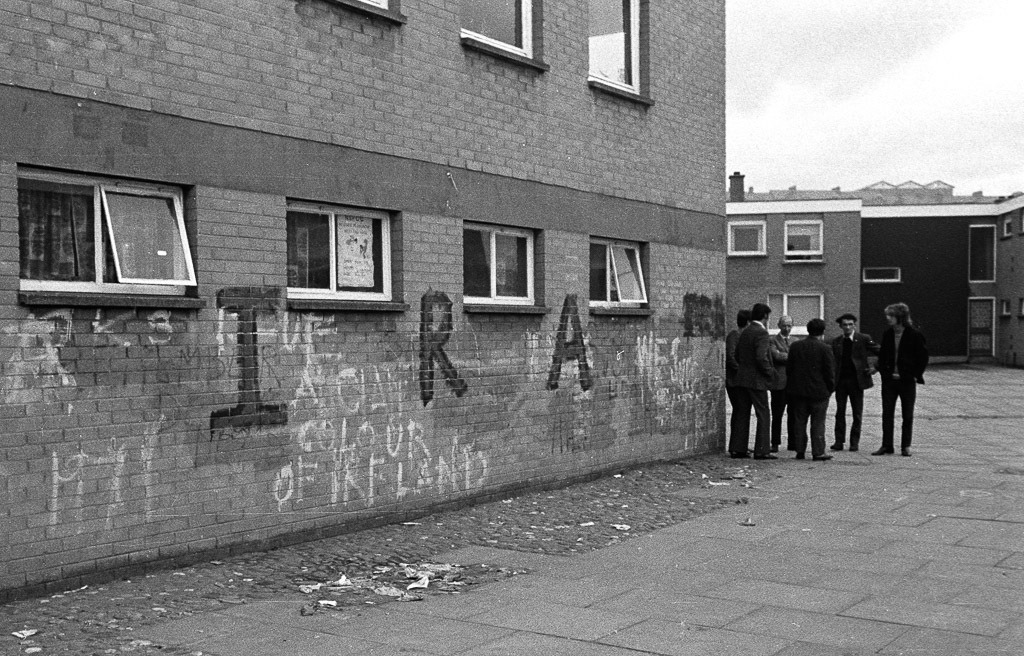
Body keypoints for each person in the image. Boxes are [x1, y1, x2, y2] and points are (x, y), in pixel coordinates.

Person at [873, 302, 929, 457]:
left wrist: (915, 374)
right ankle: (887, 445)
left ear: (900, 317)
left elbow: (922, 357)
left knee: (907, 414)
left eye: (891, 316)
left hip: (906, 381)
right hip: (890, 380)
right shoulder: (888, 334)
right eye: (888, 315)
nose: (888, 318)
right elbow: (883, 355)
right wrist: (883, 372)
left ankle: (906, 446)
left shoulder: (914, 335)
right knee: (887, 413)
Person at [786, 318, 837, 461]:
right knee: (818, 422)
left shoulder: (796, 346)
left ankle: (800, 450)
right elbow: (829, 372)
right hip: (819, 392)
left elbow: (789, 369)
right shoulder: (825, 348)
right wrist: (830, 388)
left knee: (799, 422)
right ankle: (818, 451)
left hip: (798, 391)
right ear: (822, 332)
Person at [731, 303, 776, 460]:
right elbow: (761, 357)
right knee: (763, 413)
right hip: (757, 380)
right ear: (765, 316)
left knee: (742, 413)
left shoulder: (745, 332)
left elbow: (737, 354)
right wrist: (770, 372)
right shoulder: (762, 333)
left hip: (742, 378)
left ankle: (738, 448)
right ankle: (762, 450)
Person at [830, 313, 880, 452]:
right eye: (845, 325)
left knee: (857, 413)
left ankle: (854, 442)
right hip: (841, 381)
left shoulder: (863, 339)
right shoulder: (837, 341)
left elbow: (881, 351)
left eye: (850, 324)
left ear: (854, 325)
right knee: (840, 411)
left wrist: (875, 367)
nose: (848, 327)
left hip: (857, 381)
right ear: (840, 326)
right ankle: (839, 441)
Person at [726, 309, 752, 455]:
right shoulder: (734, 336)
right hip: (735, 382)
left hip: (740, 381)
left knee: (742, 412)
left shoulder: (741, 336)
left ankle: (740, 444)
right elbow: (730, 358)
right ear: (747, 322)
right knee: (741, 412)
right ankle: (737, 447)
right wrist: (743, 372)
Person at [768, 315, 794, 453]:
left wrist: (784, 355)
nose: (787, 328)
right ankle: (775, 443)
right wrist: (791, 356)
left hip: (793, 384)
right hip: (778, 384)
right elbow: (776, 356)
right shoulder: (772, 340)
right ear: (779, 325)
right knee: (777, 415)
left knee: (793, 414)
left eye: (789, 325)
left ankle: (793, 442)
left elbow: (796, 358)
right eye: (784, 325)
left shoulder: (795, 341)